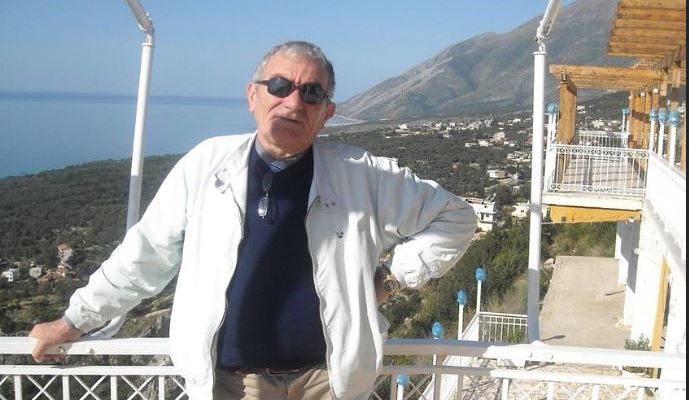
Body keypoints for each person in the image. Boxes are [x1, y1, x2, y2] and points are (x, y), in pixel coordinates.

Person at [29, 41, 477, 399]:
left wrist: (391, 278)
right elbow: (144, 258)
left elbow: (455, 218)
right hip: (233, 384)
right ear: (253, 96)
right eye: (279, 85)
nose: (294, 102)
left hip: (329, 381)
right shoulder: (205, 165)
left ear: (327, 112)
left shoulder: (363, 175)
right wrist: (74, 321)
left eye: (312, 92)